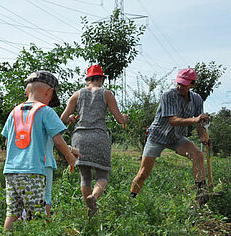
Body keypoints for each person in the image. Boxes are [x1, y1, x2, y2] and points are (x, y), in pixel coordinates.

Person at [2, 70, 77, 230]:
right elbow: (57, 139)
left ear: (27, 90)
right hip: (34, 171)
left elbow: (8, 141)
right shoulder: (46, 111)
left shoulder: (14, 112)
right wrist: (70, 157)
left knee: (12, 213)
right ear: (49, 92)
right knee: (38, 215)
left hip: (11, 171)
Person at [130, 68, 211, 205]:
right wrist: (195, 120)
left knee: (198, 155)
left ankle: (201, 195)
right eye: (179, 83)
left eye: (184, 84)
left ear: (192, 84)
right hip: (157, 136)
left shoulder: (197, 99)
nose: (180, 87)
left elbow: (200, 123)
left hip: (177, 137)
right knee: (144, 172)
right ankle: (131, 200)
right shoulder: (168, 95)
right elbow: (173, 121)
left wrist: (203, 137)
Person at [60, 65, 129, 217]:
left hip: (80, 138)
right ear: (101, 79)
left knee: (85, 178)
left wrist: (71, 118)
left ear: (88, 80)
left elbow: (62, 119)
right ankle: (94, 197)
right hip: (98, 137)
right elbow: (119, 119)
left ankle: (90, 210)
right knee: (102, 176)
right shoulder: (107, 94)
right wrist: (124, 118)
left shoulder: (77, 94)